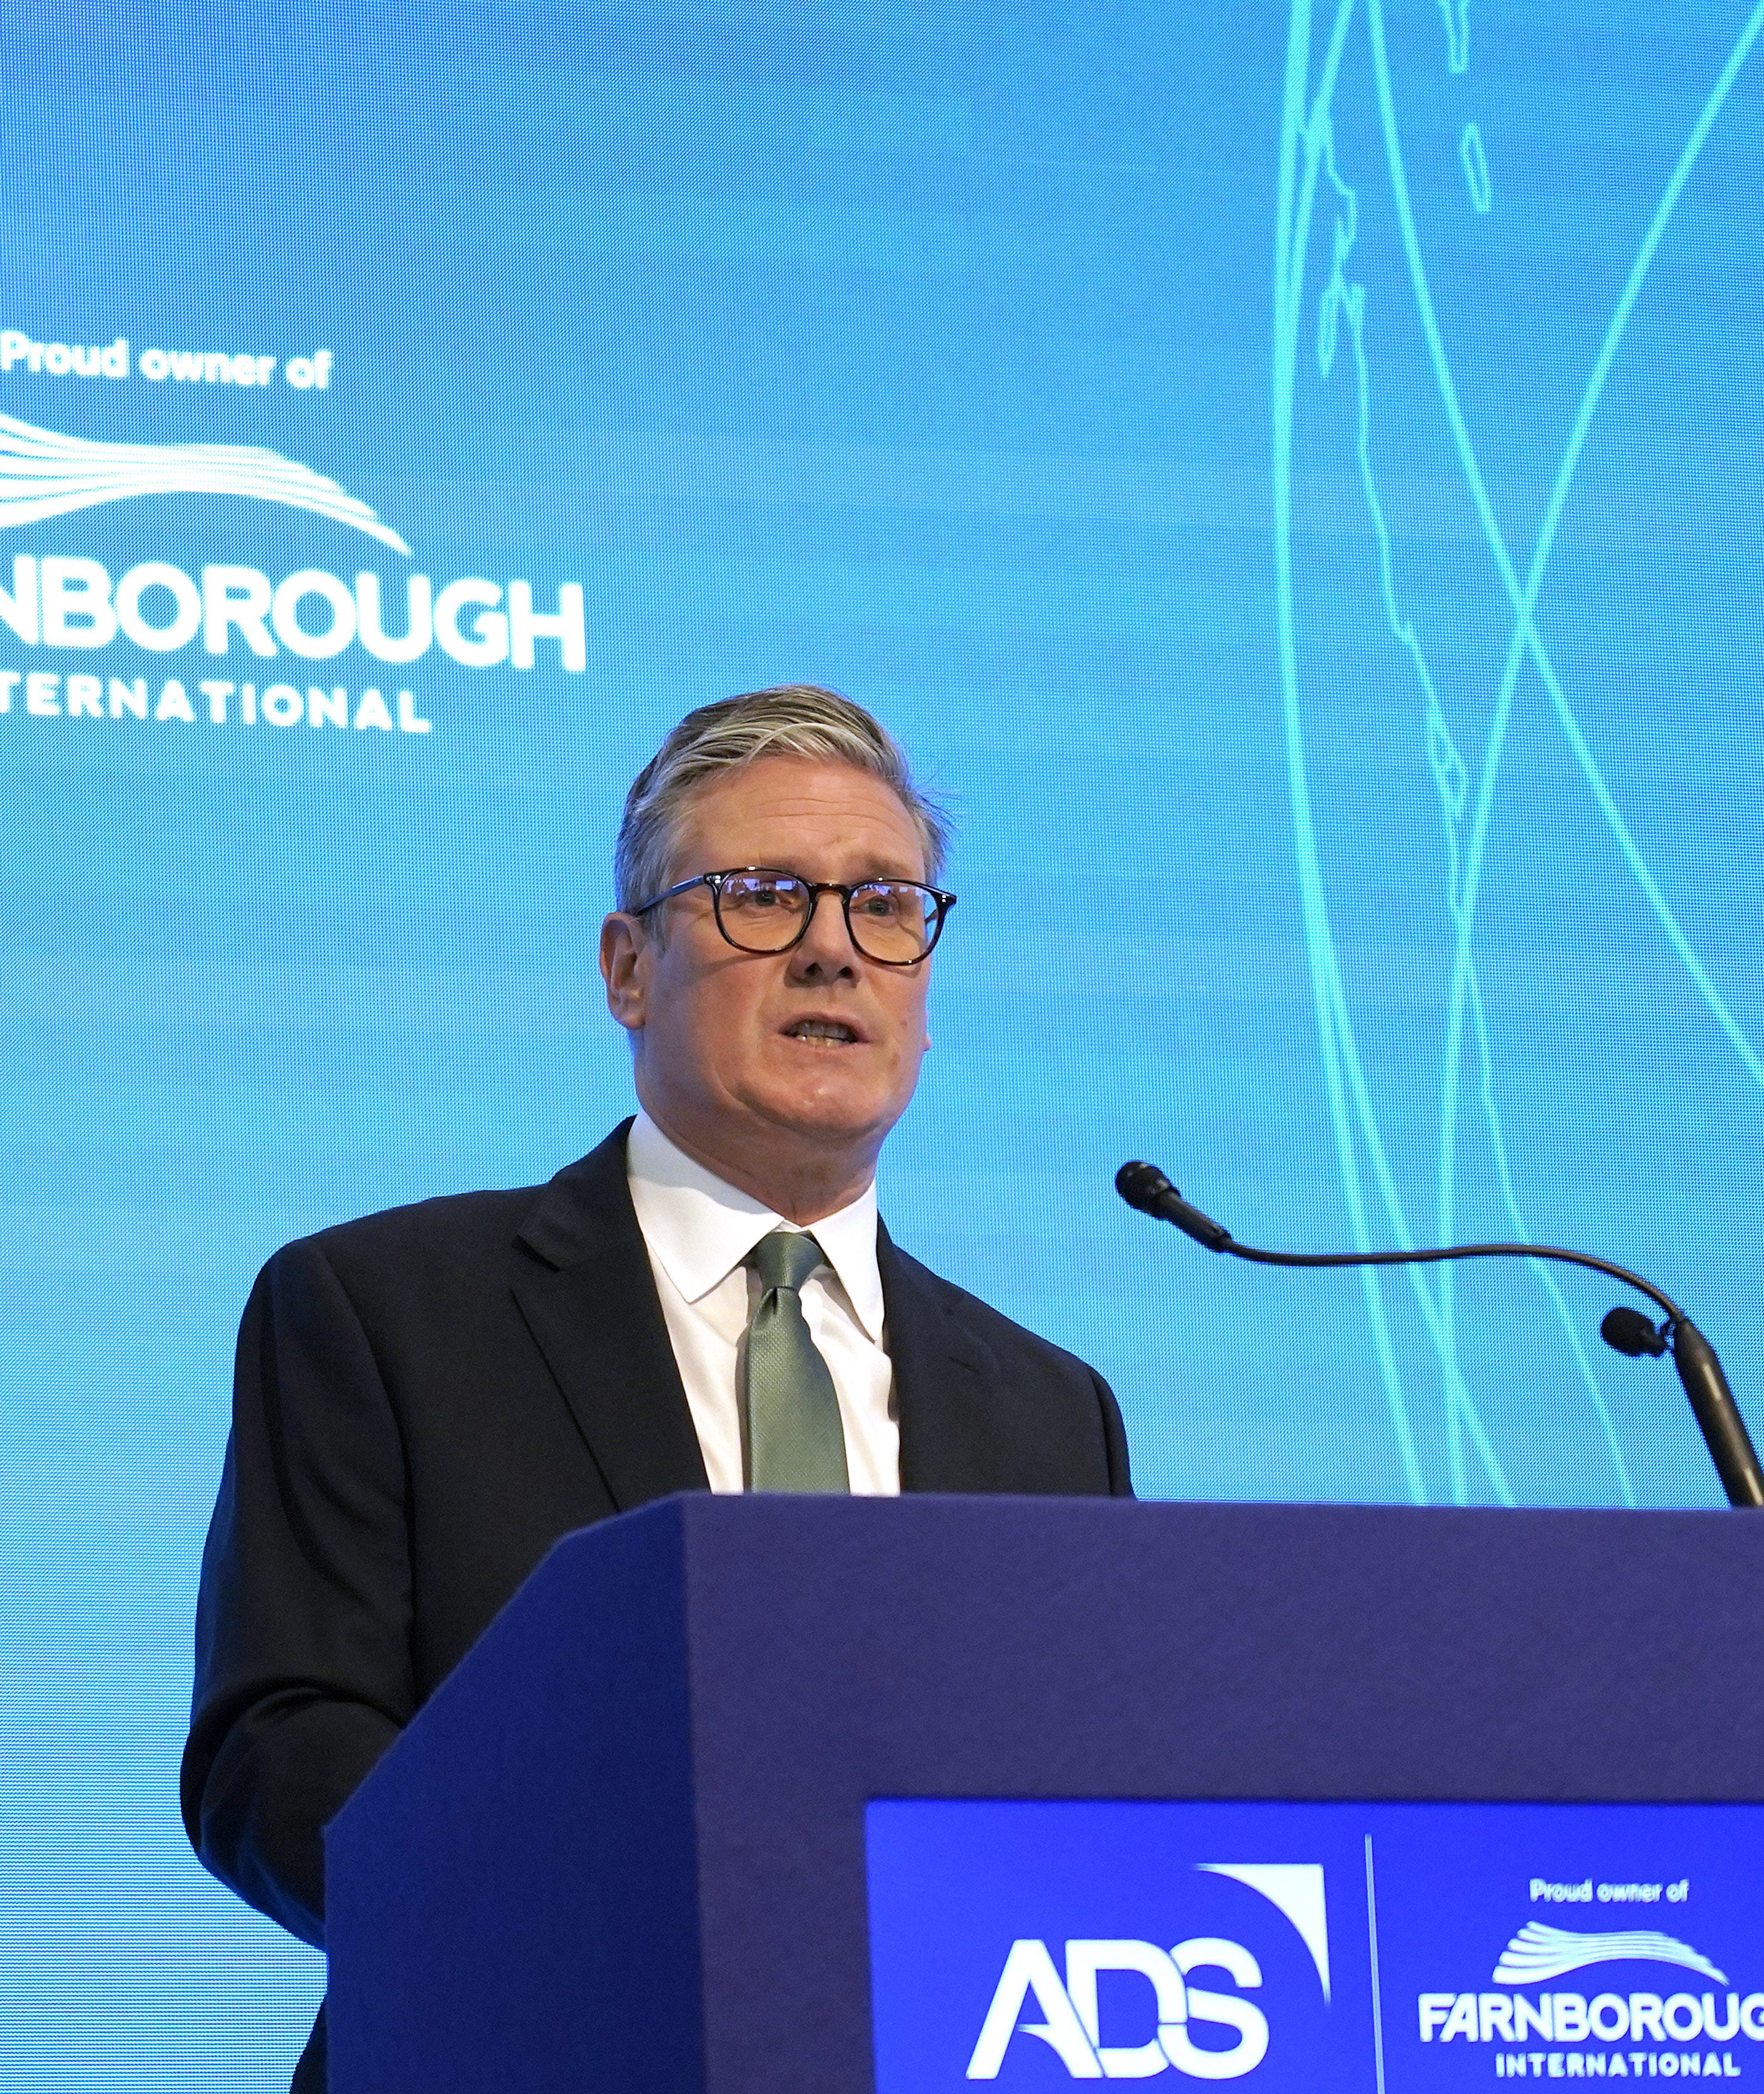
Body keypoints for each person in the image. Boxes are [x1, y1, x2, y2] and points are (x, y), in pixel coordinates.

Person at [181, 684, 1132, 2092]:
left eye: (884, 905)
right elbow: (278, 1753)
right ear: (627, 968)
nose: (832, 951)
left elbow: (1089, 1816)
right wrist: (596, 1924)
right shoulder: (384, 1309)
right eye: (760, 897)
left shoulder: (1051, 1412)